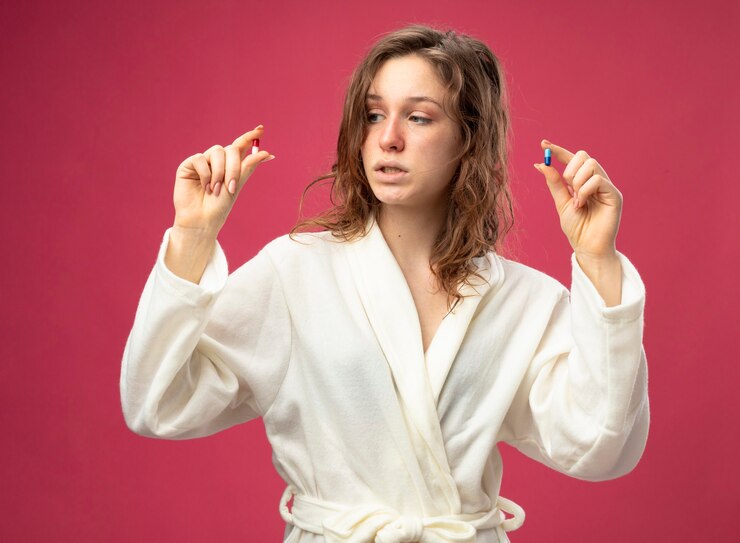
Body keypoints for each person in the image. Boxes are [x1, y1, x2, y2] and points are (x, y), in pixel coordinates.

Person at [120, 24, 649, 543]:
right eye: (373, 115)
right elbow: (157, 403)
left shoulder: (524, 301)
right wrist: (192, 235)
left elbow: (600, 447)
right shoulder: (294, 273)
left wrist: (597, 257)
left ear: (470, 138)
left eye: (418, 118)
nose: (388, 138)